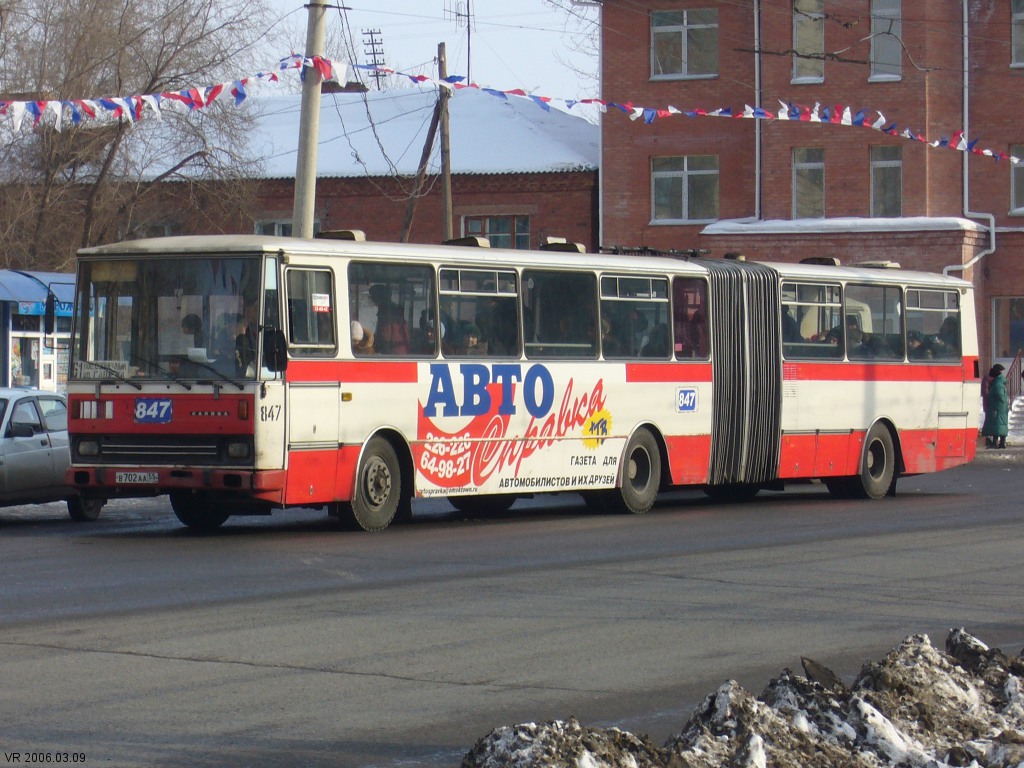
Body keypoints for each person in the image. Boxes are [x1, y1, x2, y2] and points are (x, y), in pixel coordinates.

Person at [368, 284, 409, 355]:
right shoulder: (393, 308)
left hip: (393, 353)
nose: (372, 299)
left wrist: (372, 343)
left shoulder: (386, 311)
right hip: (399, 351)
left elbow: (384, 335)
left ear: (379, 297)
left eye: (373, 296)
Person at [981, 364, 1008, 449]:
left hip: (998, 408)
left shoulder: (997, 384)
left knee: (998, 425)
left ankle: (999, 443)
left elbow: (1000, 396)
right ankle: (1001, 443)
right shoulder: (999, 383)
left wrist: (994, 402)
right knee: (999, 425)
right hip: (1000, 408)